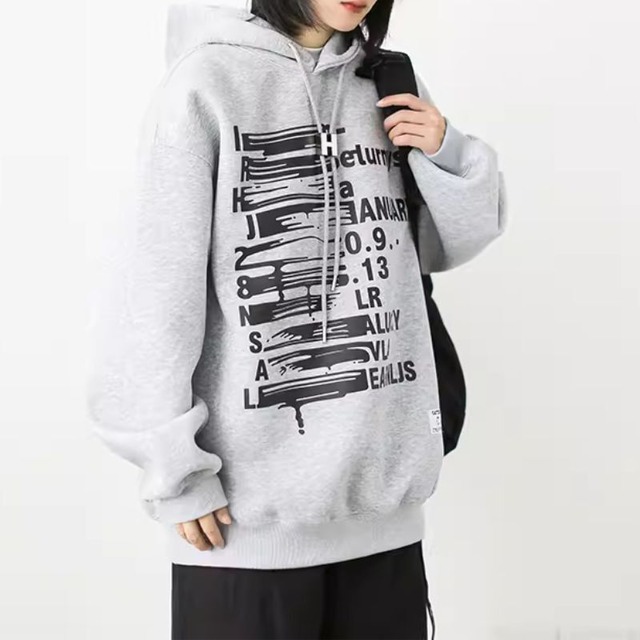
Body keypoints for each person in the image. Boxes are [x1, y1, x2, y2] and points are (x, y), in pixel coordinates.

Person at [86, 0, 507, 638]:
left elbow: (438, 248)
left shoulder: (386, 81)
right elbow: (153, 293)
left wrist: (447, 152)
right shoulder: (206, 82)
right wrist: (174, 470)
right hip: (242, 530)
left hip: (384, 523)